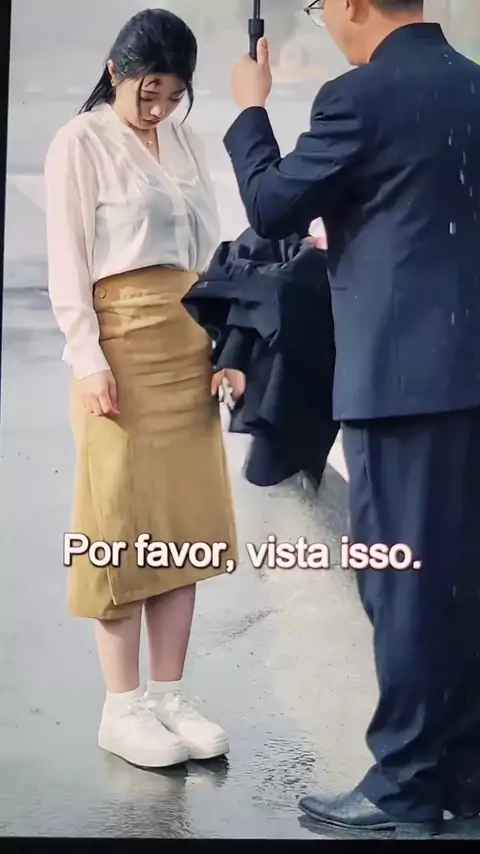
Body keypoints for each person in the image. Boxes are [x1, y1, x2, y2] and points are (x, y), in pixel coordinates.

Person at [223, 0, 480, 836]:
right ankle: (463, 771)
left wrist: (252, 108)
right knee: (459, 582)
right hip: (467, 374)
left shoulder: (358, 97)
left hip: (400, 385)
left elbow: (272, 206)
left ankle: (404, 786)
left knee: (400, 583)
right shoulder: (473, 85)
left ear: (355, 4)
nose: (325, 17)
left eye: (323, 4)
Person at [44, 8, 240, 770]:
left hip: (187, 341)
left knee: (182, 522)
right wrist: (86, 357)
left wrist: (227, 345)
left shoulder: (187, 144)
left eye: (173, 95)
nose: (159, 108)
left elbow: (210, 252)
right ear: (116, 73)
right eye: (147, 92)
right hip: (119, 346)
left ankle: (169, 696)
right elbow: (68, 260)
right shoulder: (80, 141)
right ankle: (120, 707)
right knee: (120, 519)